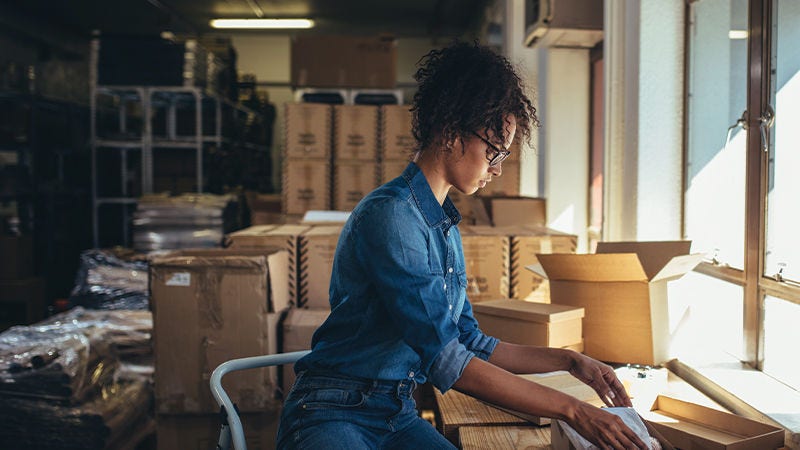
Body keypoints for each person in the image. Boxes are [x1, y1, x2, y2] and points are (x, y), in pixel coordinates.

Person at [276, 41, 647, 450]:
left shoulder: (444, 223)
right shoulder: (393, 217)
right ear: (452, 132)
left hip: (395, 413)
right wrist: (574, 409)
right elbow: (446, 361)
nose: (498, 168)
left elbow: (469, 342)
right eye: (493, 151)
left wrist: (569, 360)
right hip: (333, 410)